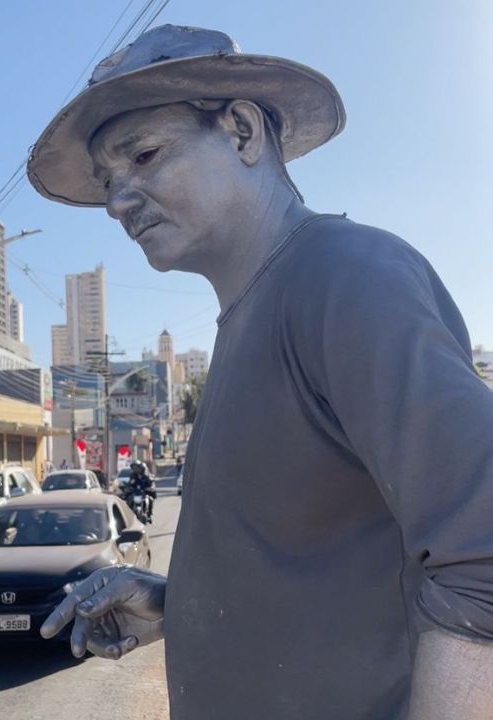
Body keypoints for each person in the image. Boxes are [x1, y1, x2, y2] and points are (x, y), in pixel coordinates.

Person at [28, 24, 493, 719]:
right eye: (108, 184)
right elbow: (314, 563)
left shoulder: (343, 277)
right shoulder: (251, 315)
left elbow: (480, 559)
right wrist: (176, 606)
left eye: (145, 156)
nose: (120, 201)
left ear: (243, 131)